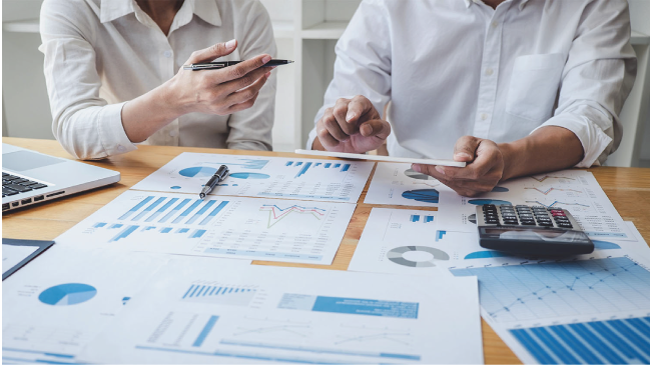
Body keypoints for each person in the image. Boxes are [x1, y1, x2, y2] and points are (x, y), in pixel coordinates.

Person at [308, 0, 637, 196]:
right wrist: (342, 136)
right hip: (409, 188)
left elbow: (592, 119)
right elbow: (336, 118)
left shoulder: (594, 4)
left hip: (542, 188)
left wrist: (509, 159)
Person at [39, 0, 277, 160]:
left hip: (215, 177)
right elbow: (74, 132)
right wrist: (174, 100)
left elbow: (251, 142)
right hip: (123, 176)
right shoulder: (73, 6)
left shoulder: (244, 9)